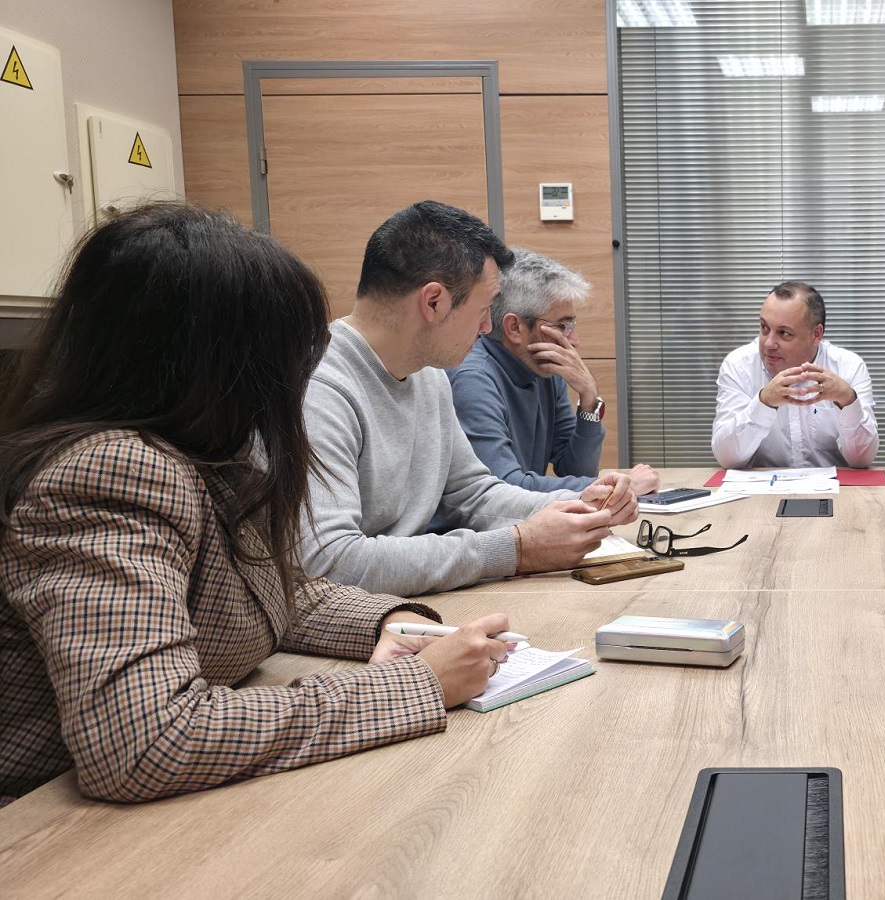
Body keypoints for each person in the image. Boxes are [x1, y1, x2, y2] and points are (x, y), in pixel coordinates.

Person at [0, 204, 513, 804]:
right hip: (42, 828)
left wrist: (389, 622)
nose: (302, 376)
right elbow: (147, 743)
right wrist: (418, 685)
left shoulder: (203, 454)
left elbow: (269, 587)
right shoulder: (112, 470)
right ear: (216, 361)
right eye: (291, 353)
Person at [299, 202, 637, 598]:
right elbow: (330, 561)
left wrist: (578, 502)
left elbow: (474, 494)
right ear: (434, 302)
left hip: (406, 601)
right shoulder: (319, 389)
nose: (488, 327)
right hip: (354, 621)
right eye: (482, 309)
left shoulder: (427, 374)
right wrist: (518, 547)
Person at [449, 247, 658, 495]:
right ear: (514, 327)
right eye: (562, 326)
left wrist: (589, 398)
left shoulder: (543, 369)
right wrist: (619, 487)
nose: (575, 341)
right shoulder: (473, 379)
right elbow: (504, 490)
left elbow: (575, 470)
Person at [712, 281, 878, 468]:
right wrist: (763, 403)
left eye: (784, 333)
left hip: (838, 492)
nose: (768, 344)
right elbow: (727, 458)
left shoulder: (848, 367)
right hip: (764, 493)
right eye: (764, 328)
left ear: (816, 335)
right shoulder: (739, 366)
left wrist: (847, 401)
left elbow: (861, 460)